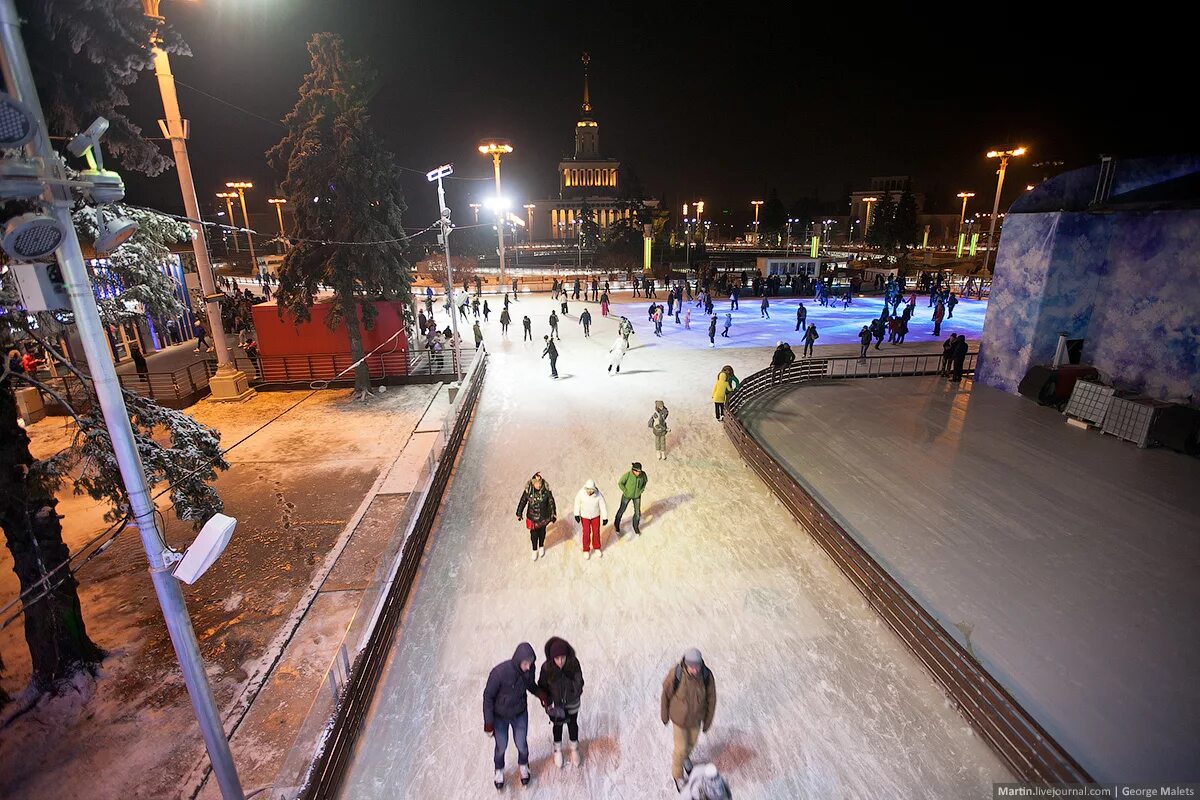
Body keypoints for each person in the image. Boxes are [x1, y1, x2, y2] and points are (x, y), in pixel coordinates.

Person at [484, 642, 545, 789]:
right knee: (501, 746)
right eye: (525, 663)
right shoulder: (499, 673)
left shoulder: (529, 670)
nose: (528, 667)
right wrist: (489, 722)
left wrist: (541, 694)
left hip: (519, 713)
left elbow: (530, 685)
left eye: (530, 663)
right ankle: (499, 769)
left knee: (521, 743)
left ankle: (523, 764)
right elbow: (488, 697)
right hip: (500, 717)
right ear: (518, 660)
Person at [660, 648, 717, 790]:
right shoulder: (677, 674)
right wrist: (664, 715)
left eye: (697, 666)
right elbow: (665, 695)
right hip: (679, 720)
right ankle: (677, 776)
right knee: (680, 749)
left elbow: (712, 699)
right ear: (686, 664)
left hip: (695, 720)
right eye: (691, 666)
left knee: (691, 744)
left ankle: (686, 759)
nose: (695, 670)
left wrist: (707, 721)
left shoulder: (706, 676)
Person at [537, 637, 585, 768]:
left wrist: (569, 693)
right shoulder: (547, 668)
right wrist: (547, 701)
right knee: (557, 726)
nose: (560, 661)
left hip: (572, 703)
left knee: (572, 724)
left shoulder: (573, 664)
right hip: (557, 706)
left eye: (562, 657)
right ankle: (557, 750)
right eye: (557, 658)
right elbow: (543, 686)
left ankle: (574, 748)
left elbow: (579, 684)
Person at [516, 472, 557, 560]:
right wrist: (519, 513)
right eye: (537, 483)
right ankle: (534, 549)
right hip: (532, 517)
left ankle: (541, 546)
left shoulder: (546, 491)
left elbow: (551, 502)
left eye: (540, 483)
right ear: (533, 483)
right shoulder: (528, 491)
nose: (539, 485)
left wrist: (553, 514)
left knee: (542, 533)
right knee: (534, 535)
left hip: (543, 516)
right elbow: (522, 501)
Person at [572, 479, 608, 559]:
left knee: (596, 532)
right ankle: (586, 549)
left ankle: (597, 547)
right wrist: (576, 514)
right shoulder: (581, 493)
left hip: (595, 516)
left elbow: (603, 506)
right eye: (588, 490)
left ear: (594, 489)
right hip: (585, 517)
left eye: (591, 490)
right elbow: (577, 502)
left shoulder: (598, 495)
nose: (589, 492)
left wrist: (605, 517)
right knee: (586, 532)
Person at [613, 462, 646, 536]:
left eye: (640, 471)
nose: (639, 473)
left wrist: (641, 490)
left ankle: (635, 527)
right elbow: (620, 483)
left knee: (637, 513)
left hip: (637, 496)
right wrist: (626, 491)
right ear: (634, 470)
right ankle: (616, 524)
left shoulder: (643, 475)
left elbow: (645, 481)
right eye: (638, 471)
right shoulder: (628, 475)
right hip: (627, 496)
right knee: (622, 510)